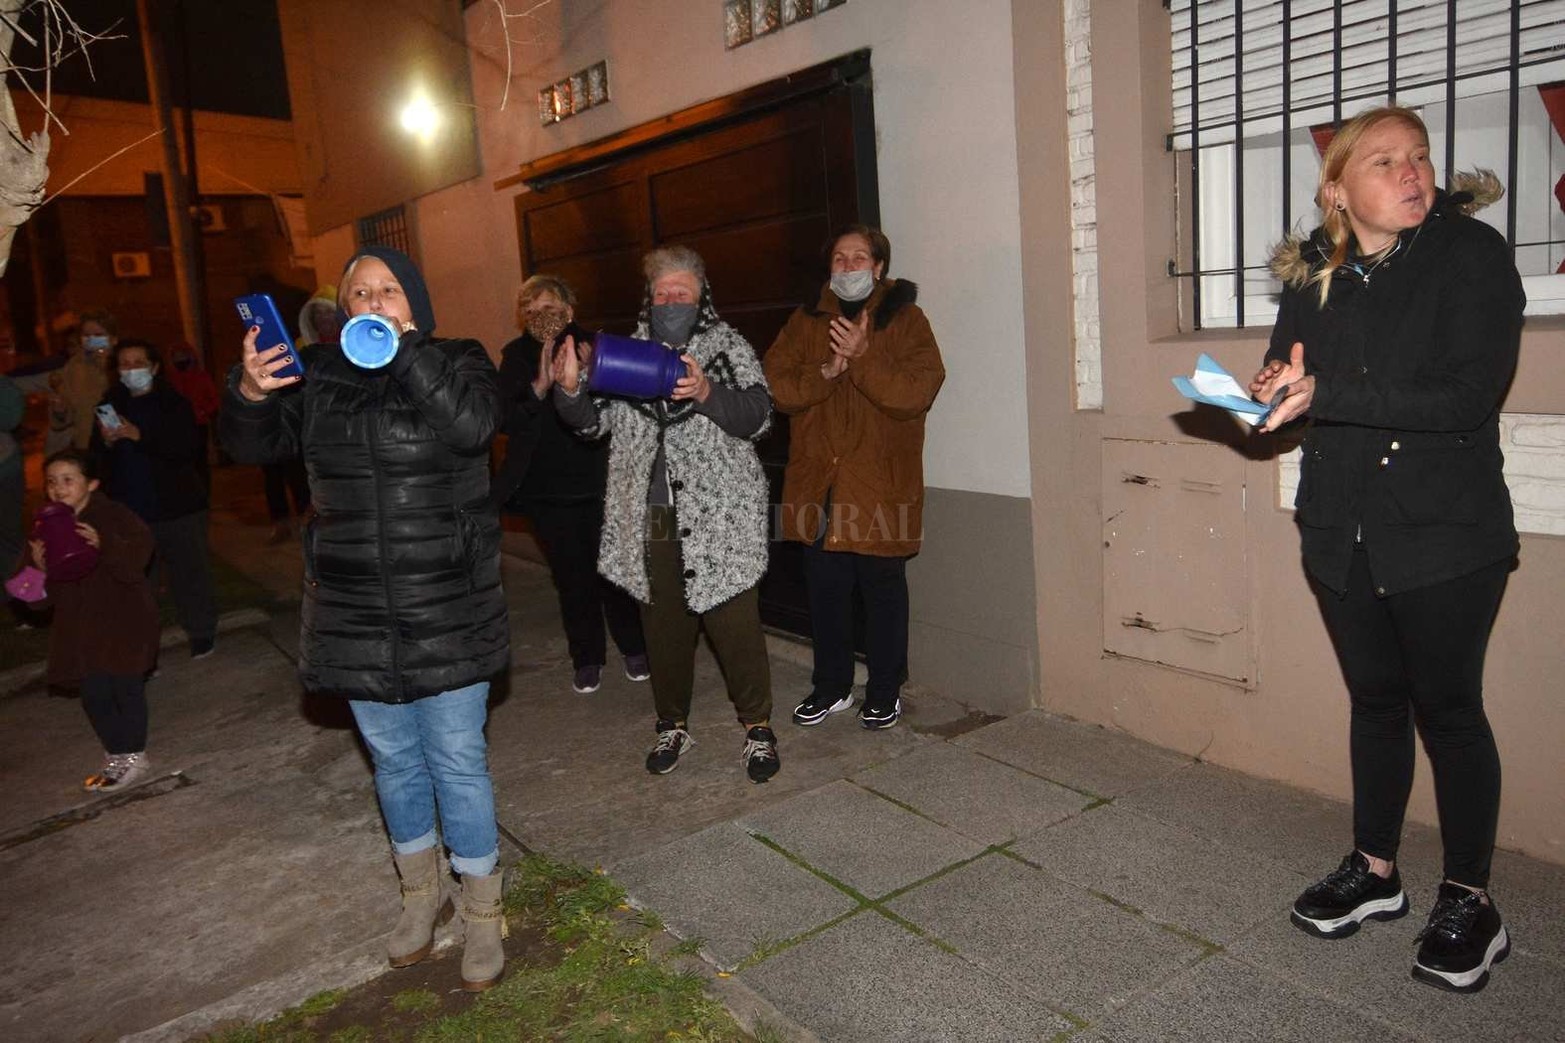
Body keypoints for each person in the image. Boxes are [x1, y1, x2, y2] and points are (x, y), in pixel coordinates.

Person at [1250, 106, 1523, 994]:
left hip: (1443, 528)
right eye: (1384, 162)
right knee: (1374, 701)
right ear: (1337, 190)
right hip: (1340, 526)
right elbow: (1292, 377)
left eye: (1418, 157)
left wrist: (1329, 387)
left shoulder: (1469, 259)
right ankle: (1374, 871)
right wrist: (1272, 394)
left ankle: (1468, 896)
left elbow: (1462, 397)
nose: (1411, 174)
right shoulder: (1317, 280)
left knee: (1447, 709)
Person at [220, 246, 510, 992]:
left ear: (413, 302)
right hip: (352, 608)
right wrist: (251, 389)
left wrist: (406, 353)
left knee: (457, 761)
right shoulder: (318, 374)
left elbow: (473, 426)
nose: (374, 300)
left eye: (388, 290)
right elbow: (247, 445)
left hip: (446, 601)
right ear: (341, 308)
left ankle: (483, 911)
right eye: (360, 292)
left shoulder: (456, 357)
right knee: (395, 763)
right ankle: (422, 895)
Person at [552, 245, 780, 784]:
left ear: (702, 296)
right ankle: (672, 723)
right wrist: (568, 393)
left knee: (735, 625)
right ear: (648, 299)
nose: (671, 298)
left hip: (721, 514)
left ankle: (758, 728)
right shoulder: (621, 356)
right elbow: (591, 426)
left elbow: (760, 417)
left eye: (682, 290)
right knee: (663, 626)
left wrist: (706, 391)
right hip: (653, 515)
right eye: (661, 291)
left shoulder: (726, 347)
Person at [763, 225, 945, 731]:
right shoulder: (805, 321)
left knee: (882, 591)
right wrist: (824, 371)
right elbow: (775, 387)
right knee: (825, 592)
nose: (848, 266)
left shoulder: (906, 320)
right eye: (839, 258)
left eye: (859, 257)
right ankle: (831, 687)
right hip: (818, 483)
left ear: (879, 266)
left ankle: (884, 691)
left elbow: (918, 392)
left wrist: (862, 360)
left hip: (880, 485)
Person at [489, 274, 648, 694]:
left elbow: (628, 403)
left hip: (601, 480)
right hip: (547, 490)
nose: (541, 316)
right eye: (532, 310)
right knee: (572, 579)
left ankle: (634, 647)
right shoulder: (516, 357)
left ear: (569, 311)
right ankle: (587, 658)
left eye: (549, 308)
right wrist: (538, 388)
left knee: (615, 573)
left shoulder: (597, 346)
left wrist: (595, 372)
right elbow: (504, 418)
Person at [21, 449, 161, 790]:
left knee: (126, 688)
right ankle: (116, 753)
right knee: (95, 694)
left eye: (69, 480)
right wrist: (39, 570)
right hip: (80, 631)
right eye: (51, 481)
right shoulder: (44, 528)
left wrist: (105, 545)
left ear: (92, 484)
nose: (59, 488)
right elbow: (35, 601)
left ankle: (133, 756)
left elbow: (140, 555)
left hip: (124, 619)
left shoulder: (112, 515)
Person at [91, 339, 219, 659]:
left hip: (178, 507)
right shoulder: (109, 404)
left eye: (138, 363)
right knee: (137, 584)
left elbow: (186, 449)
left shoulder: (173, 403)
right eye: (125, 364)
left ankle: (202, 632)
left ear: (154, 367)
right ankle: (145, 648)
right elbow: (95, 462)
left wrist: (140, 436)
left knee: (190, 575)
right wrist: (105, 445)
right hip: (131, 511)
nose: (132, 370)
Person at [164, 341, 220, 492]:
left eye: (183, 355)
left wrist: (203, 411)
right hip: (178, 427)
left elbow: (214, 400)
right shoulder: (170, 380)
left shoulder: (200, 376)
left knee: (200, 462)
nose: (180, 359)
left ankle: (204, 492)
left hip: (198, 424)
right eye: (177, 356)